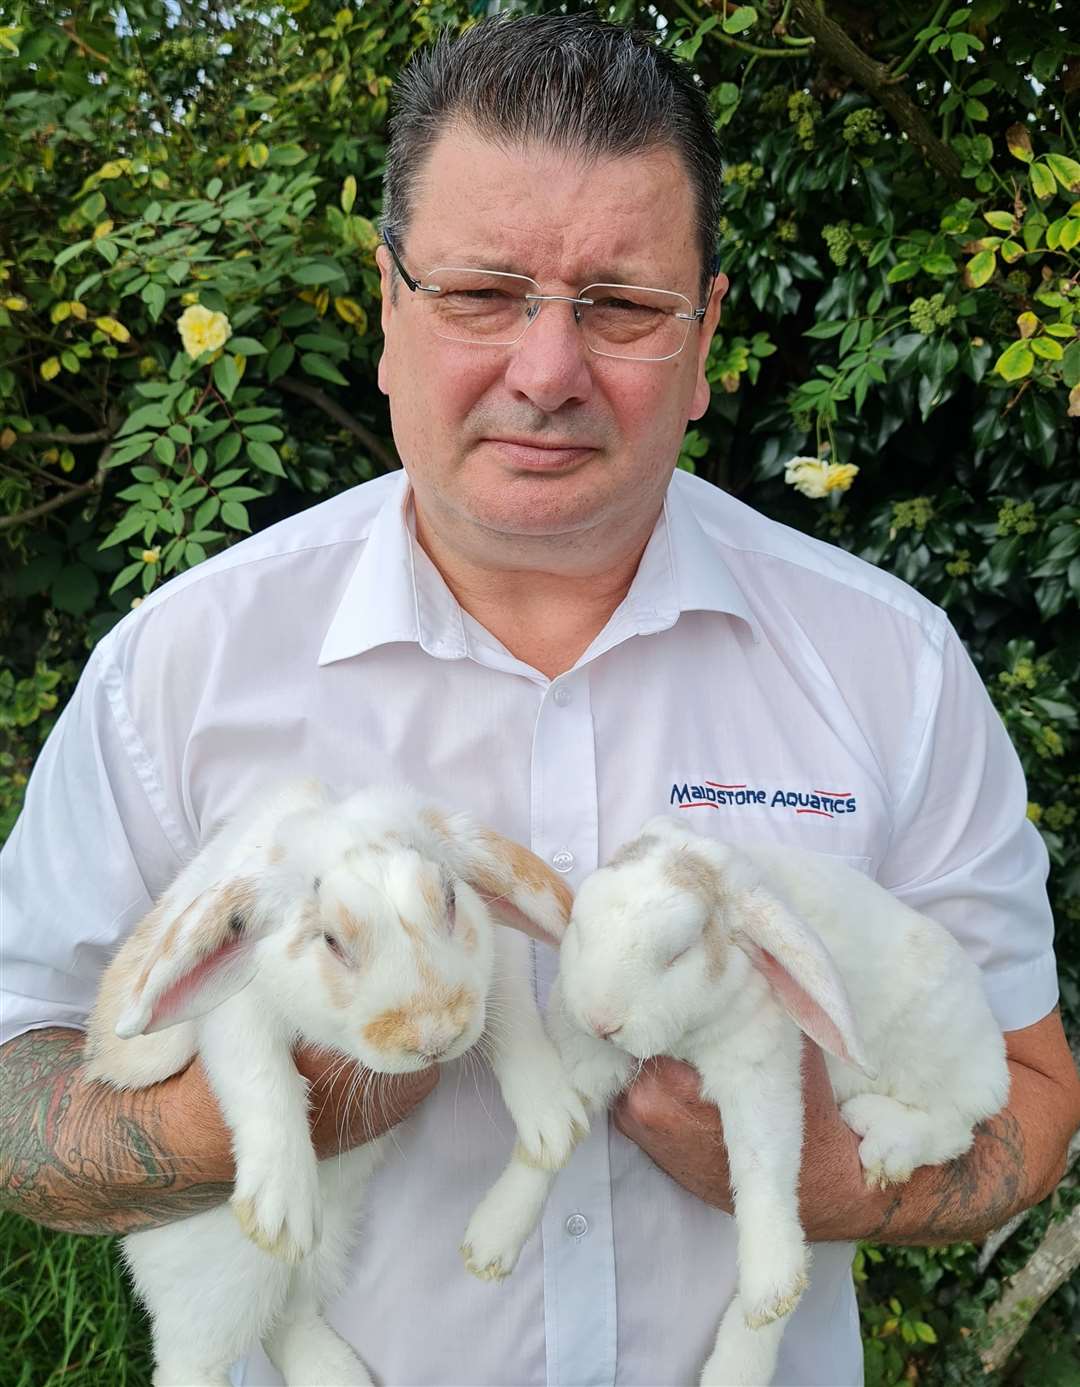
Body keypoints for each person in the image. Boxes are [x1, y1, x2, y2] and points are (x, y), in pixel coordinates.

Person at [2, 13, 1078, 1386]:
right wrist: (275, 1092)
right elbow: (12, 1083)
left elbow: (1035, 1104)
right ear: (388, 310)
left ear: (705, 341)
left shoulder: (891, 665)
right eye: (480, 292)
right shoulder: (183, 665)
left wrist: (826, 1178)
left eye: (622, 306)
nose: (548, 370)